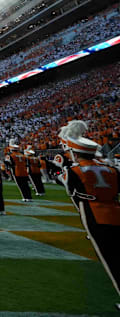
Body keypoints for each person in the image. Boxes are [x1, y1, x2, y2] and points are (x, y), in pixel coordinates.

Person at [58, 120, 120, 311]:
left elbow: (70, 190)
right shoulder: (112, 169)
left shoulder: (74, 170)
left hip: (95, 213)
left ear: (75, 153)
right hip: (116, 209)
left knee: (111, 258)